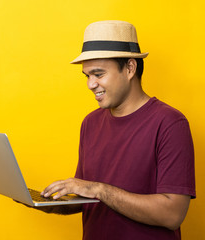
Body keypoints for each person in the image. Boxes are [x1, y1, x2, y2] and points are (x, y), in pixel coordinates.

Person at [31, 20, 195, 240]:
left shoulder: (170, 123)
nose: (90, 84)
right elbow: (87, 197)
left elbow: (172, 214)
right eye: (87, 76)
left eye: (98, 74)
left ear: (129, 68)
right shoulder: (90, 123)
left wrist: (98, 189)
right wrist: (47, 203)